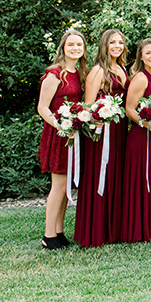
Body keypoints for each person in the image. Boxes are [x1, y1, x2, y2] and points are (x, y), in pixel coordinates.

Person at [36, 29, 88, 250]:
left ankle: (59, 231)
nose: (75, 48)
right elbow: (42, 108)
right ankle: (48, 235)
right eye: (71, 45)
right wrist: (61, 125)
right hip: (58, 134)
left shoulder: (79, 72)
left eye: (79, 45)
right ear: (63, 48)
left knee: (66, 185)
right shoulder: (55, 74)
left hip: (73, 134)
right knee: (58, 185)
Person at [78, 29, 130, 247]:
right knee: (100, 176)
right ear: (104, 46)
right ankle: (96, 231)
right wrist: (95, 119)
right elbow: (88, 105)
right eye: (112, 42)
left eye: (120, 42)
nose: (117, 46)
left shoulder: (122, 68)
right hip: (102, 133)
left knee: (115, 176)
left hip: (119, 130)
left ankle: (113, 229)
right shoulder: (98, 71)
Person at [121, 38, 151, 243]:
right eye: (148, 53)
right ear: (140, 56)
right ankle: (140, 229)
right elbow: (129, 109)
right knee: (143, 180)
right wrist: (146, 124)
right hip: (142, 138)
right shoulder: (141, 78)